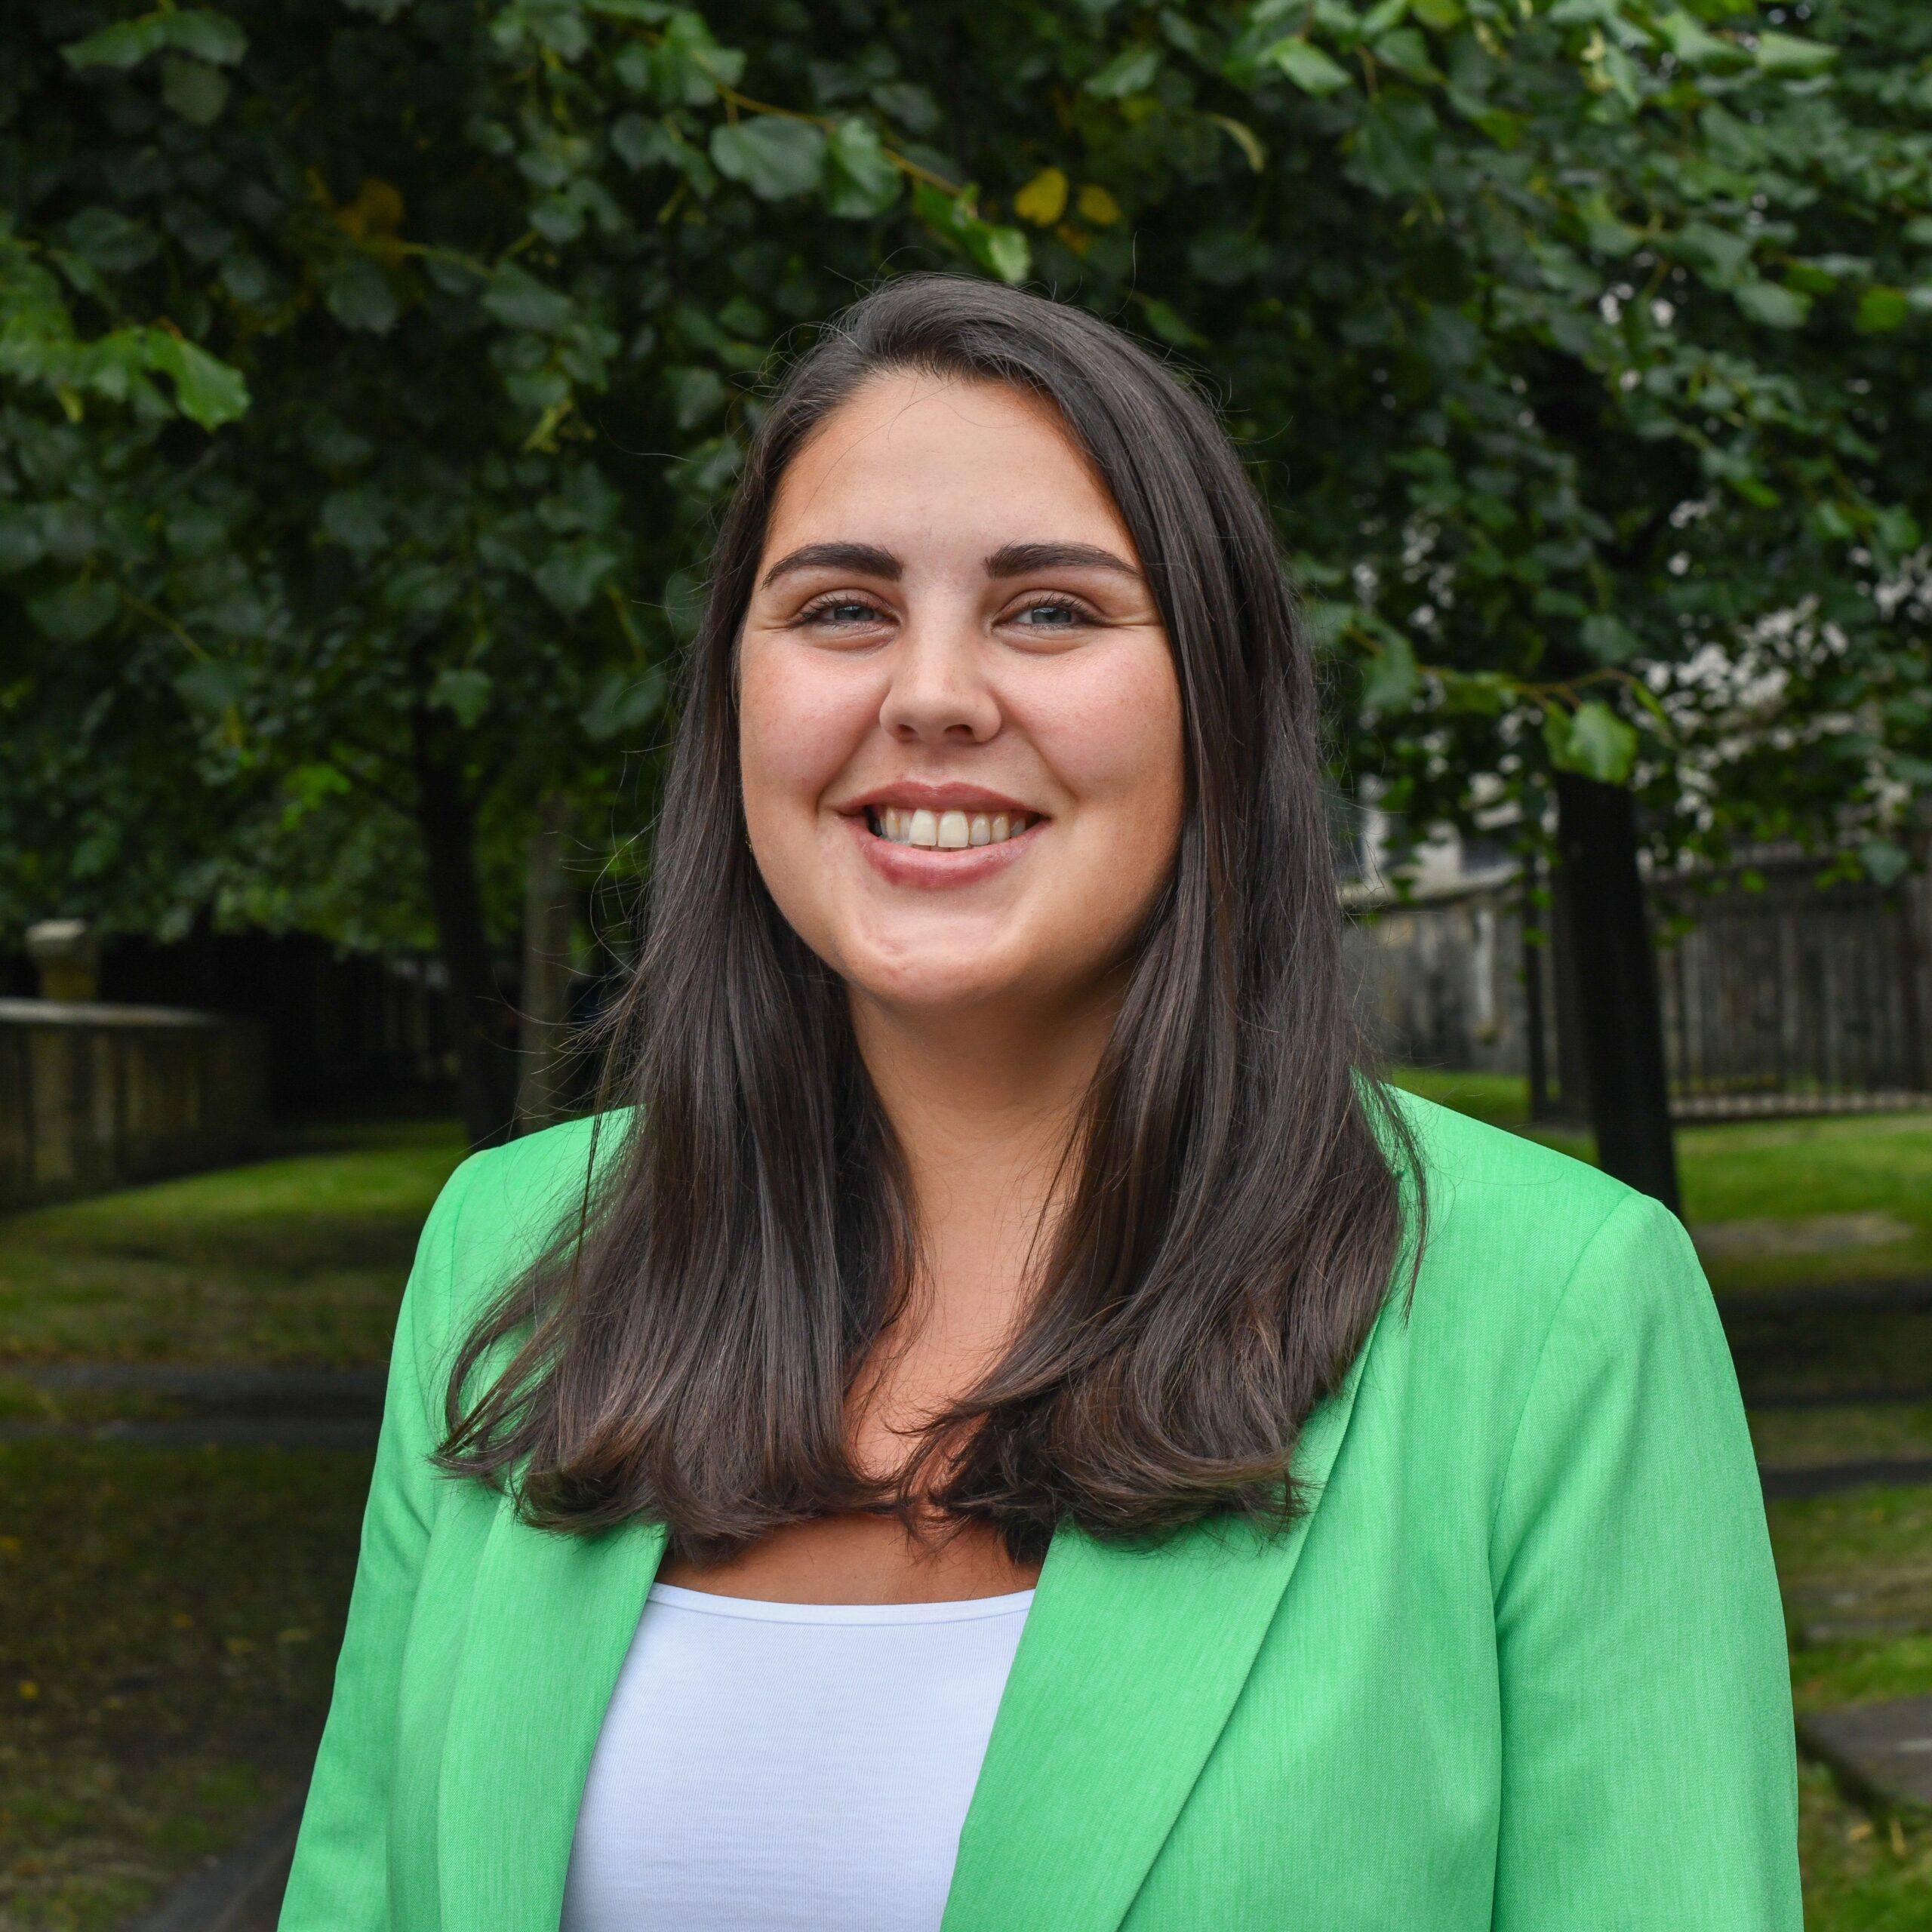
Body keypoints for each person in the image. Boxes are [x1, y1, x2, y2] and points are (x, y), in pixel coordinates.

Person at [278, 274, 1801, 1931]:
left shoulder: (1555, 1313)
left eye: (1049, 610)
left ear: (1214, 710)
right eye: (841, 607)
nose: (929, 692)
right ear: (735, 697)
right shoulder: (511, 1251)